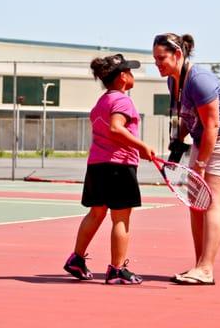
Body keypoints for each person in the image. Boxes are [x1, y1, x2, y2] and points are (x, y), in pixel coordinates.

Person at [153, 33, 220, 285]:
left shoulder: (199, 80)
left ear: (178, 55)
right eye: (154, 59)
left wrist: (199, 164)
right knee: (196, 203)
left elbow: (213, 124)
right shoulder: (174, 82)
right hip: (203, 138)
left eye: (161, 58)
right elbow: (188, 117)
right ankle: (199, 266)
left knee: (213, 201)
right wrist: (178, 140)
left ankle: (206, 269)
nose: (157, 64)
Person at [63, 54, 155, 285]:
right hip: (119, 166)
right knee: (121, 219)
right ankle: (117, 269)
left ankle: (77, 259)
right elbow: (116, 128)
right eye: (130, 72)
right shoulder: (123, 101)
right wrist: (141, 146)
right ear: (123, 77)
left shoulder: (101, 102)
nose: (133, 76)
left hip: (97, 165)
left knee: (96, 213)